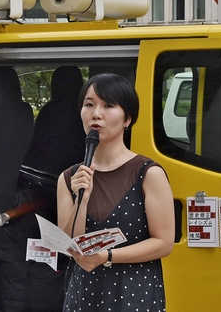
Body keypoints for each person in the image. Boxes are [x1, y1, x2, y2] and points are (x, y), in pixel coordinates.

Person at [57, 73, 174, 311]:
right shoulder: (69, 178)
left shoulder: (147, 173)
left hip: (134, 292)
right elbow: (69, 245)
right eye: (89, 104)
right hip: (84, 292)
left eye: (108, 105)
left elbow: (163, 243)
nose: (96, 114)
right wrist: (83, 197)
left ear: (127, 118)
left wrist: (107, 256)